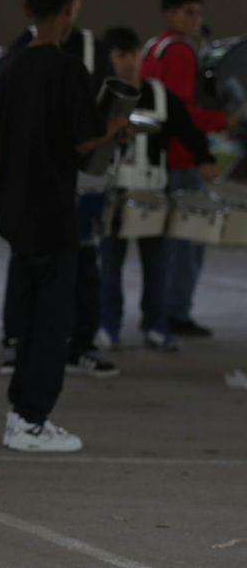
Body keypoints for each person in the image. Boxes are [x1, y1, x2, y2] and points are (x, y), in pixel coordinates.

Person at [0, 0, 131, 453]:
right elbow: (84, 141)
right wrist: (115, 127)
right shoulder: (67, 69)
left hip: (13, 205)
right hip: (52, 208)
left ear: (28, 9)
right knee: (53, 320)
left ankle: (21, 411)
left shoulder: (10, 65)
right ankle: (31, 419)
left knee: (29, 314)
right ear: (70, 10)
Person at [98, 27, 217, 351]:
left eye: (134, 54)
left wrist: (204, 158)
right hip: (112, 194)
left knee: (158, 265)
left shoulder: (161, 96)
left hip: (153, 194)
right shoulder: (102, 97)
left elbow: (189, 132)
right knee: (108, 267)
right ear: (108, 59)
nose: (130, 62)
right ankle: (108, 324)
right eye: (121, 55)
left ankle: (155, 324)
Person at [141, 0, 227, 338]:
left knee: (165, 242)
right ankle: (175, 311)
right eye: (188, 12)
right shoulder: (179, 52)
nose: (196, 20)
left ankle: (159, 312)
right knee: (186, 241)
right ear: (170, 14)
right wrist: (222, 121)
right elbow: (183, 111)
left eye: (198, 13)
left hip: (159, 155)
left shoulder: (152, 48)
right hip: (182, 156)